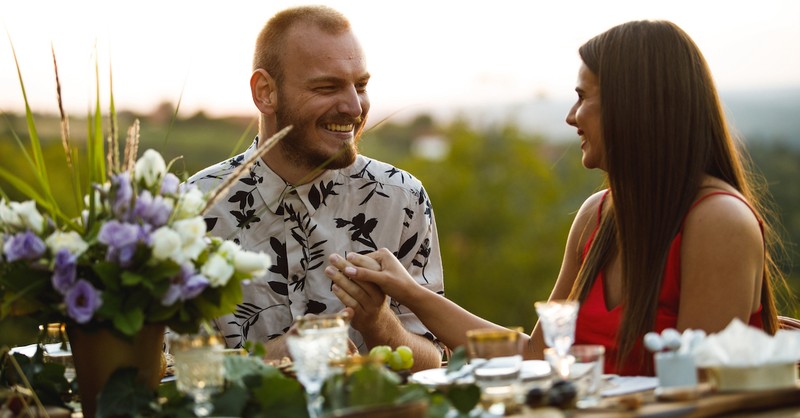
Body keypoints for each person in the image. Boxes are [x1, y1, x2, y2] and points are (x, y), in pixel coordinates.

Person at [327, 19, 788, 376]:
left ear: (635, 105)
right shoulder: (597, 218)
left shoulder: (718, 222)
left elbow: (698, 391)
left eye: (583, 97)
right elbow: (535, 354)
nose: (571, 117)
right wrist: (406, 290)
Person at [188, 5, 444, 371]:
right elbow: (173, 370)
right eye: (327, 87)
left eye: (361, 86)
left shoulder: (401, 199)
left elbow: (433, 362)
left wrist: (378, 323)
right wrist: (279, 356)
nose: (354, 107)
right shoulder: (191, 214)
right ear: (265, 93)